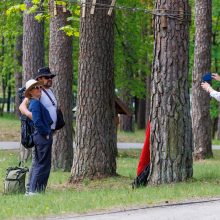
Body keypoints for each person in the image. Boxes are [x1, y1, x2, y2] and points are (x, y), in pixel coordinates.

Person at [19, 67, 57, 194]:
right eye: (47, 77)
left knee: (42, 163)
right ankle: (31, 189)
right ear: (39, 79)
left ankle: (37, 190)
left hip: (48, 131)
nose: (50, 79)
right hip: (42, 133)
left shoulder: (48, 92)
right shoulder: (34, 96)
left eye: (51, 77)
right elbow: (22, 107)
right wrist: (37, 120)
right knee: (38, 163)